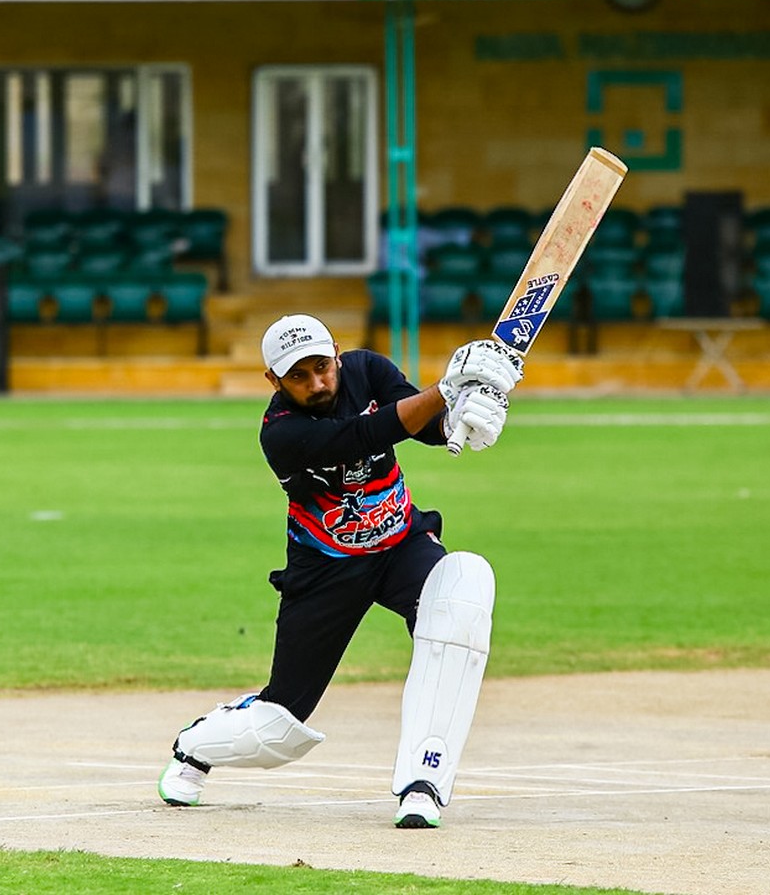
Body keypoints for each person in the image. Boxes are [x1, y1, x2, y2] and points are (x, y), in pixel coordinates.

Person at [157, 313, 520, 828]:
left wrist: (464, 415)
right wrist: (446, 388)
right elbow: (366, 433)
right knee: (279, 726)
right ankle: (196, 745)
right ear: (274, 381)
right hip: (326, 568)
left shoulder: (366, 369)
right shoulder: (281, 433)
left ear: (338, 357)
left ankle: (423, 783)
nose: (316, 383)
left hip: (400, 546)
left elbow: (425, 427)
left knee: (463, 591)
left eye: (322, 367)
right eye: (298, 376)